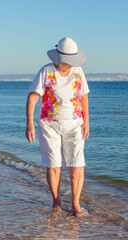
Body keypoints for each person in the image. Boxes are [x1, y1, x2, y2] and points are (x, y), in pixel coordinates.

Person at [25, 37, 90, 217]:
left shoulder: (78, 71)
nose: (70, 65)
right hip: (49, 124)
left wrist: (86, 121)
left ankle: (76, 204)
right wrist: (29, 124)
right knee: (54, 164)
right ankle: (56, 202)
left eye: (73, 61)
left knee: (77, 164)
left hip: (75, 123)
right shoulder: (46, 71)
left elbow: (83, 96)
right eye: (67, 62)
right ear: (57, 59)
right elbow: (32, 97)